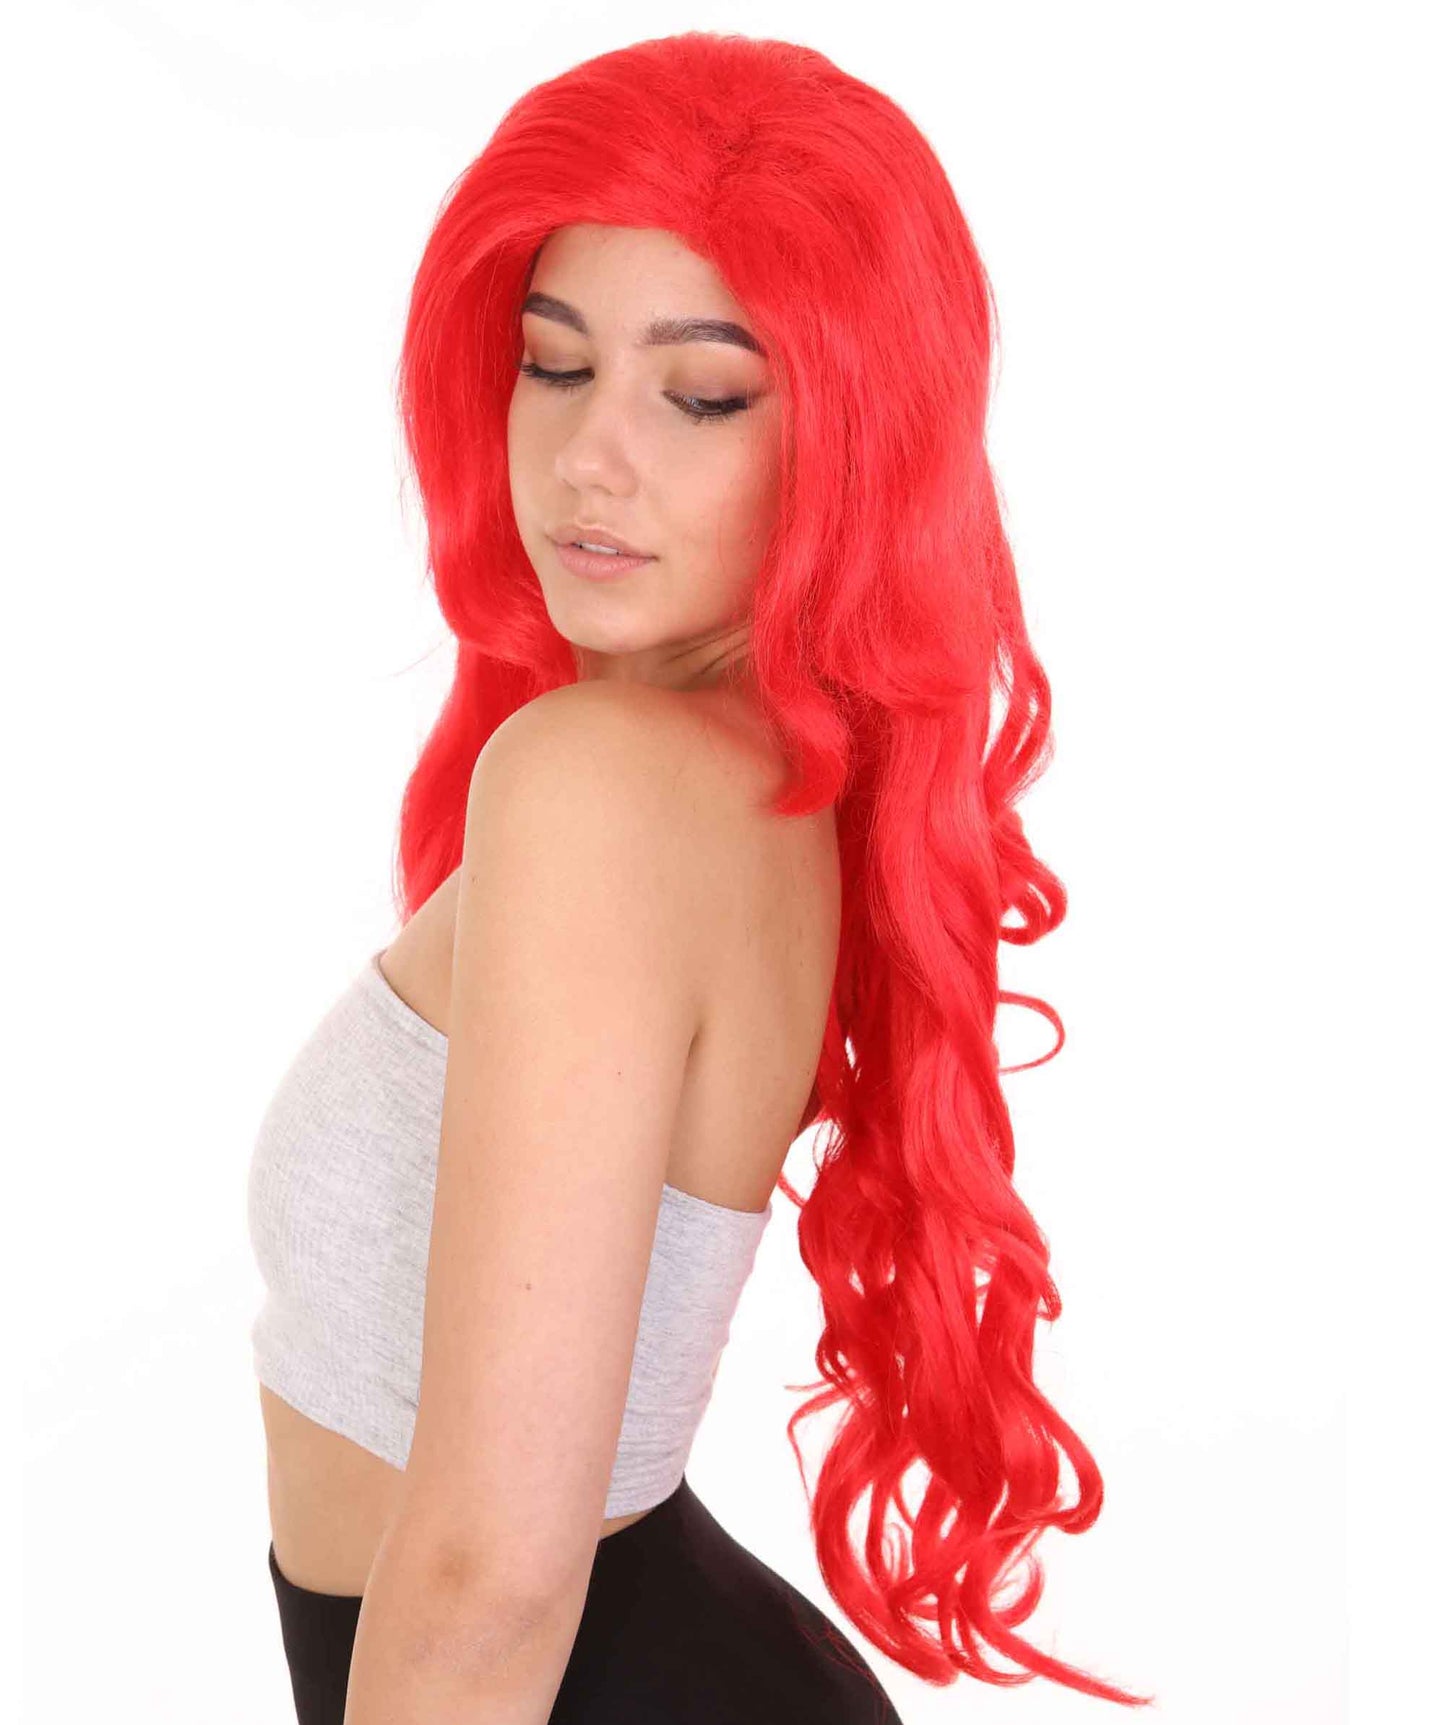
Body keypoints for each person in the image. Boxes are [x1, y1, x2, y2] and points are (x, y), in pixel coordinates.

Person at [246, 29, 1153, 1724]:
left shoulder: (599, 783)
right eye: (552, 363)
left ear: (846, 439)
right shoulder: (747, 780)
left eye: (704, 393)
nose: (591, 456)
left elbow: (493, 1577)